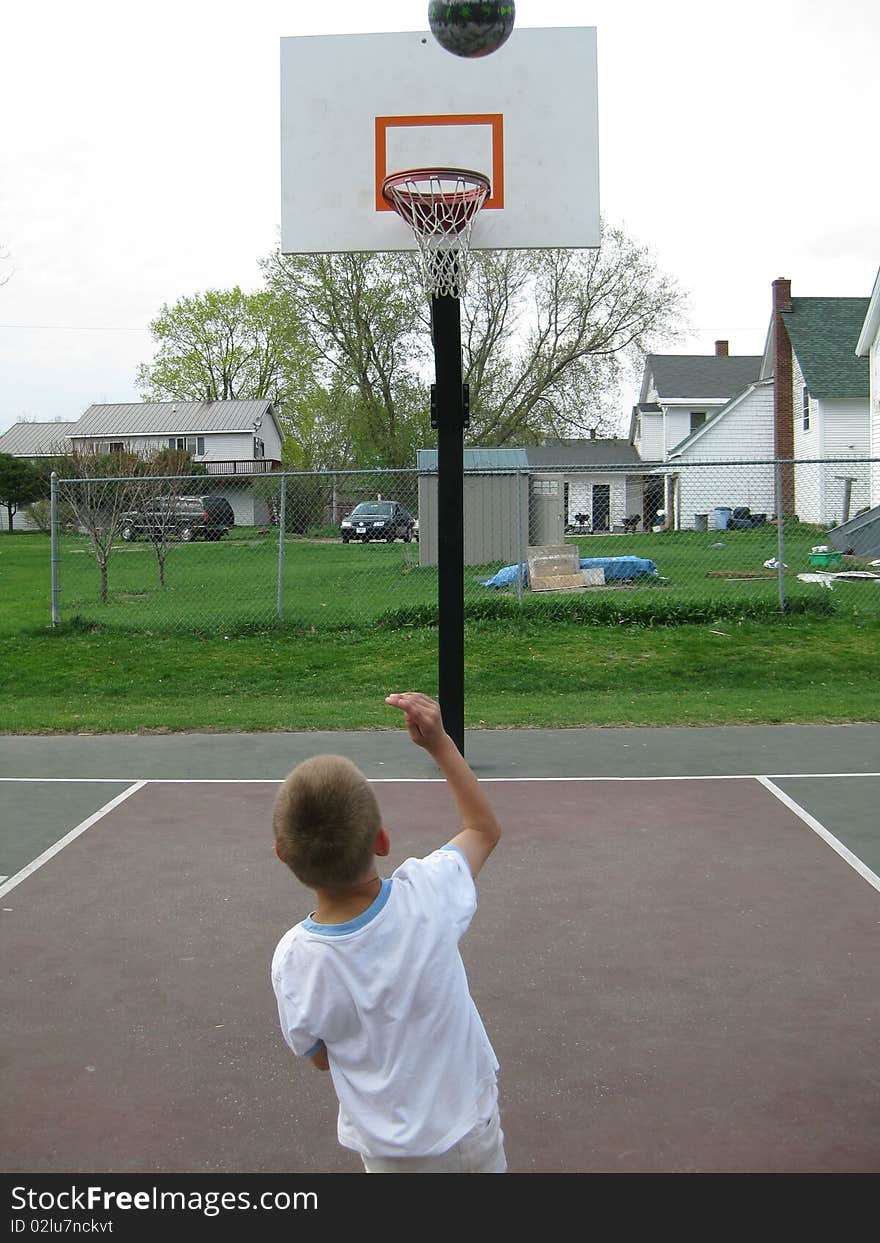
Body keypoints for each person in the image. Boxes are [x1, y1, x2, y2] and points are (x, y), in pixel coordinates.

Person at [270, 690, 506, 1173]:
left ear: (283, 855)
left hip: (387, 1155)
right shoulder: (427, 893)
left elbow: (319, 1056)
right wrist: (439, 744)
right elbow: (482, 829)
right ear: (381, 840)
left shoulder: (293, 959)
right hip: (468, 1134)